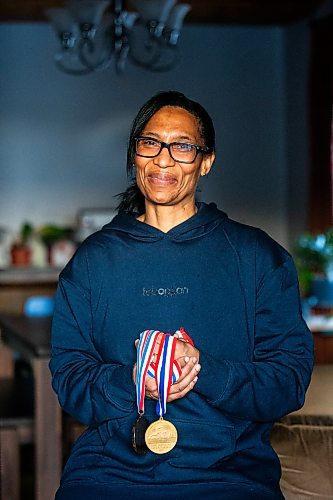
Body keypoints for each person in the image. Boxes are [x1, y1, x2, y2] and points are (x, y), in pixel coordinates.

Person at [50, 90, 314, 500]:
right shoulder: (92, 262)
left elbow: (289, 382)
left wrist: (205, 370)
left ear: (206, 161)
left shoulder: (258, 257)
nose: (163, 159)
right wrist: (131, 381)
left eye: (183, 146)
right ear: (135, 153)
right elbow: (69, 380)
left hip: (229, 476)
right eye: (150, 142)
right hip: (107, 475)